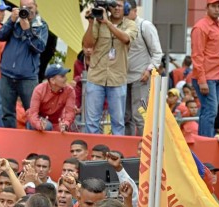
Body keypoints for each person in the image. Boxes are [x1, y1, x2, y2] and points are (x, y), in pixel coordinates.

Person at [82, 0, 137, 135]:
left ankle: (116, 154)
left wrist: (107, 23)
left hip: (117, 78)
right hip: (96, 76)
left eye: (119, 5)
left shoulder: (130, 24)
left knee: (118, 122)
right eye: (114, 6)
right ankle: (93, 154)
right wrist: (90, 23)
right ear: (109, 8)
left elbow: (125, 39)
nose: (117, 8)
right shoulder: (98, 22)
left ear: (126, 8)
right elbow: (88, 44)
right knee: (91, 121)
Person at [0, 0, 48, 128]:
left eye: (30, 7)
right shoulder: (15, 22)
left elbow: (40, 48)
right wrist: (11, 21)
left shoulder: (41, 25)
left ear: (36, 7)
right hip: (7, 74)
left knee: (32, 113)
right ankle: (10, 143)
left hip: (27, 77)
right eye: (24, 8)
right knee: (7, 114)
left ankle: (32, 144)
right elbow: (0, 36)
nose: (27, 10)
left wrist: (28, 31)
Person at [124, 0, 162, 136]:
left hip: (140, 78)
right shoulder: (118, 26)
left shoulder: (145, 26)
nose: (124, 14)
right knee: (125, 117)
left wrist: (149, 70)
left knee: (140, 115)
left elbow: (157, 53)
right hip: (121, 78)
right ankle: (126, 148)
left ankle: (144, 147)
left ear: (135, 11)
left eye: (127, 11)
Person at [190, 0, 219, 137]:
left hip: (217, 76)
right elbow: (197, 55)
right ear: (207, 7)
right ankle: (205, 141)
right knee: (210, 112)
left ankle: (204, 139)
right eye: (214, 6)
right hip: (206, 77)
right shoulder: (200, 27)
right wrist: (202, 80)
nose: (217, 9)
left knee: (211, 111)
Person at [26, 64, 76, 132]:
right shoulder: (39, 90)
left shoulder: (70, 91)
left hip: (57, 122)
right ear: (52, 80)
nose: (66, 79)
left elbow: (70, 112)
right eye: (62, 76)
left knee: (70, 127)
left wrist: (65, 124)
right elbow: (33, 114)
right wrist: (39, 125)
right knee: (47, 126)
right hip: (38, 121)